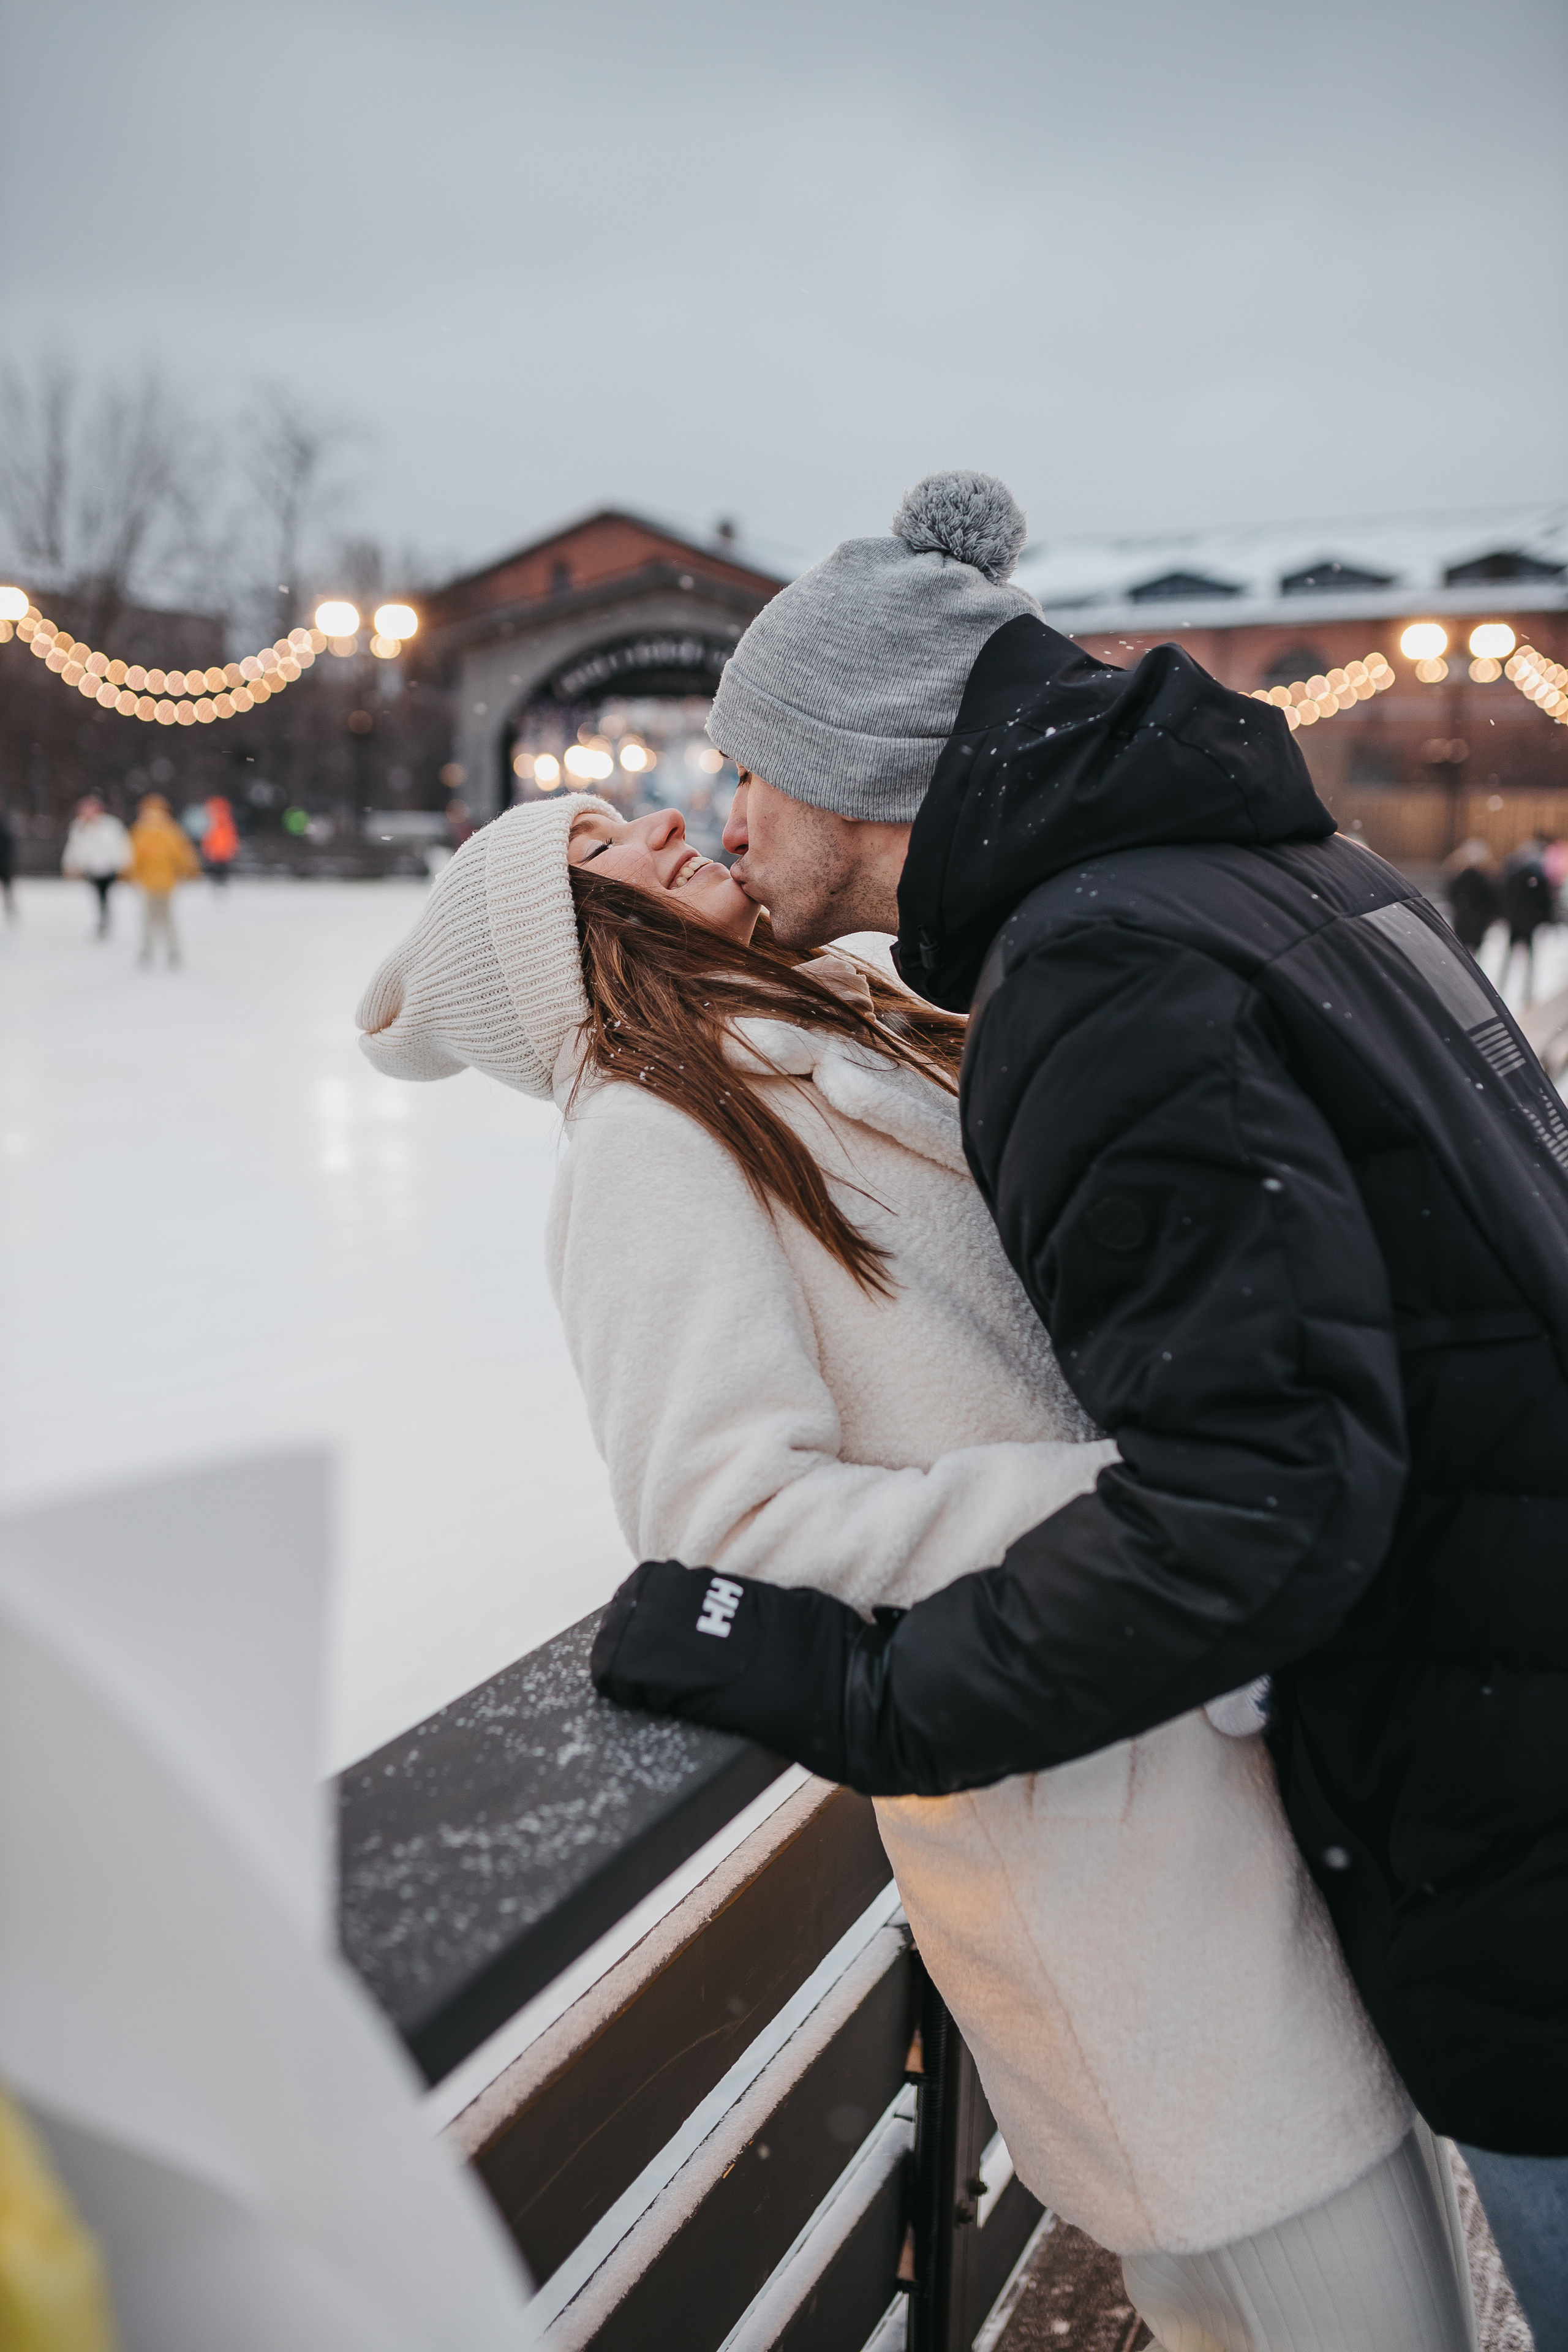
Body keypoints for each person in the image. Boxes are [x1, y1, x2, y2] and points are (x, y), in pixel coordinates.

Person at [583, 472, 1568, 2346]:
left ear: (863, 767)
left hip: (1520, 1815)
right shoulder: (1272, 880)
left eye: (749, 773)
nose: (727, 819)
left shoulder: (1100, 968)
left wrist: (877, 1698)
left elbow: (1258, 1489)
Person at [357, 794, 1476, 2350]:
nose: (667, 824)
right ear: (563, 941)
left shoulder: (862, 1014)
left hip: (1218, 1743)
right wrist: (1127, 1502)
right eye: (599, 843)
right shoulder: (645, 1141)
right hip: (1107, 1835)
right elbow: (726, 1521)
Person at [126, 791, 200, 967]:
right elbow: (183, 854)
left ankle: (147, 950)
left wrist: (130, 874)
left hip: (148, 881)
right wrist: (189, 871)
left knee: (148, 918)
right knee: (168, 918)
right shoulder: (171, 829)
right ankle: (173, 949)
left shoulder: (140, 830)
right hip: (167, 880)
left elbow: (132, 856)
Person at [60, 793, 132, 937]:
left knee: (104, 896)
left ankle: (105, 922)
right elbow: (74, 847)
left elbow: (121, 846)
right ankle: (103, 921)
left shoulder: (110, 825)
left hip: (108, 868)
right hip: (92, 869)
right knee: (98, 897)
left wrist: (124, 865)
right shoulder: (79, 826)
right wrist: (70, 865)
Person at [1500, 836, 1555, 1003]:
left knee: (1510, 959)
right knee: (1525, 961)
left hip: (1519, 922)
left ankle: (1503, 989)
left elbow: (1505, 897)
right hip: (1526, 922)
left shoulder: (1516, 873)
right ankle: (1525, 993)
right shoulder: (1536, 875)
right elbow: (1545, 902)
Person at [1441, 837, 1499, 958]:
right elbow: (1492, 898)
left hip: (1465, 917)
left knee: (1462, 951)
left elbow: (1451, 895)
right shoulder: (1486, 876)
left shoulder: (1458, 875)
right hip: (1478, 918)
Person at [202, 794, 239, 884]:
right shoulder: (227, 821)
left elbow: (208, 838)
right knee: (222, 873)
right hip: (223, 853)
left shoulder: (213, 822)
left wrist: (208, 850)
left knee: (217, 873)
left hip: (217, 852)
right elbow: (232, 838)